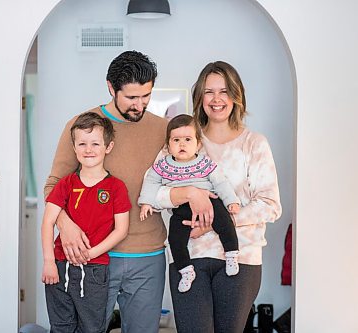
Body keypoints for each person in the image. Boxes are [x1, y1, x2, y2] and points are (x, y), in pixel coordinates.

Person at [44, 51, 168, 333]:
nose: (140, 105)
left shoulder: (162, 128)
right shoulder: (83, 127)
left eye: (146, 95)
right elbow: (54, 186)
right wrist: (66, 225)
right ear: (111, 88)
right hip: (93, 258)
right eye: (132, 98)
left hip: (148, 256)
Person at [156, 61, 282, 332]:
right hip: (188, 257)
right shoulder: (183, 139)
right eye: (209, 91)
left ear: (236, 95)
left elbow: (270, 206)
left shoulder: (254, 144)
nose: (216, 99)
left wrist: (213, 220)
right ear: (199, 97)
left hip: (240, 259)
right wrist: (189, 193)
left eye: (224, 91)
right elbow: (156, 193)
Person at [41, 112, 131, 332]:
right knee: (61, 326)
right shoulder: (66, 184)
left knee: (91, 328)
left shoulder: (116, 187)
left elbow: (121, 230)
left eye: (95, 143)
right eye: (82, 143)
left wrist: (91, 254)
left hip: (95, 270)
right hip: (60, 267)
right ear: (74, 148)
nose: (88, 149)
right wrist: (49, 262)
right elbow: (48, 223)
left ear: (108, 147)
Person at [138, 114, 241, 293]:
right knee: (175, 239)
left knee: (225, 222)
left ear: (198, 144)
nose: (182, 144)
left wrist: (231, 201)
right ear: (168, 145)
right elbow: (151, 182)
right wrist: (146, 202)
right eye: (176, 140)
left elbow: (221, 182)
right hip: (181, 208)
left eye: (187, 139)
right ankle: (186, 270)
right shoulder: (163, 165)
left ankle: (232, 253)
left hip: (210, 202)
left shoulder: (204, 163)